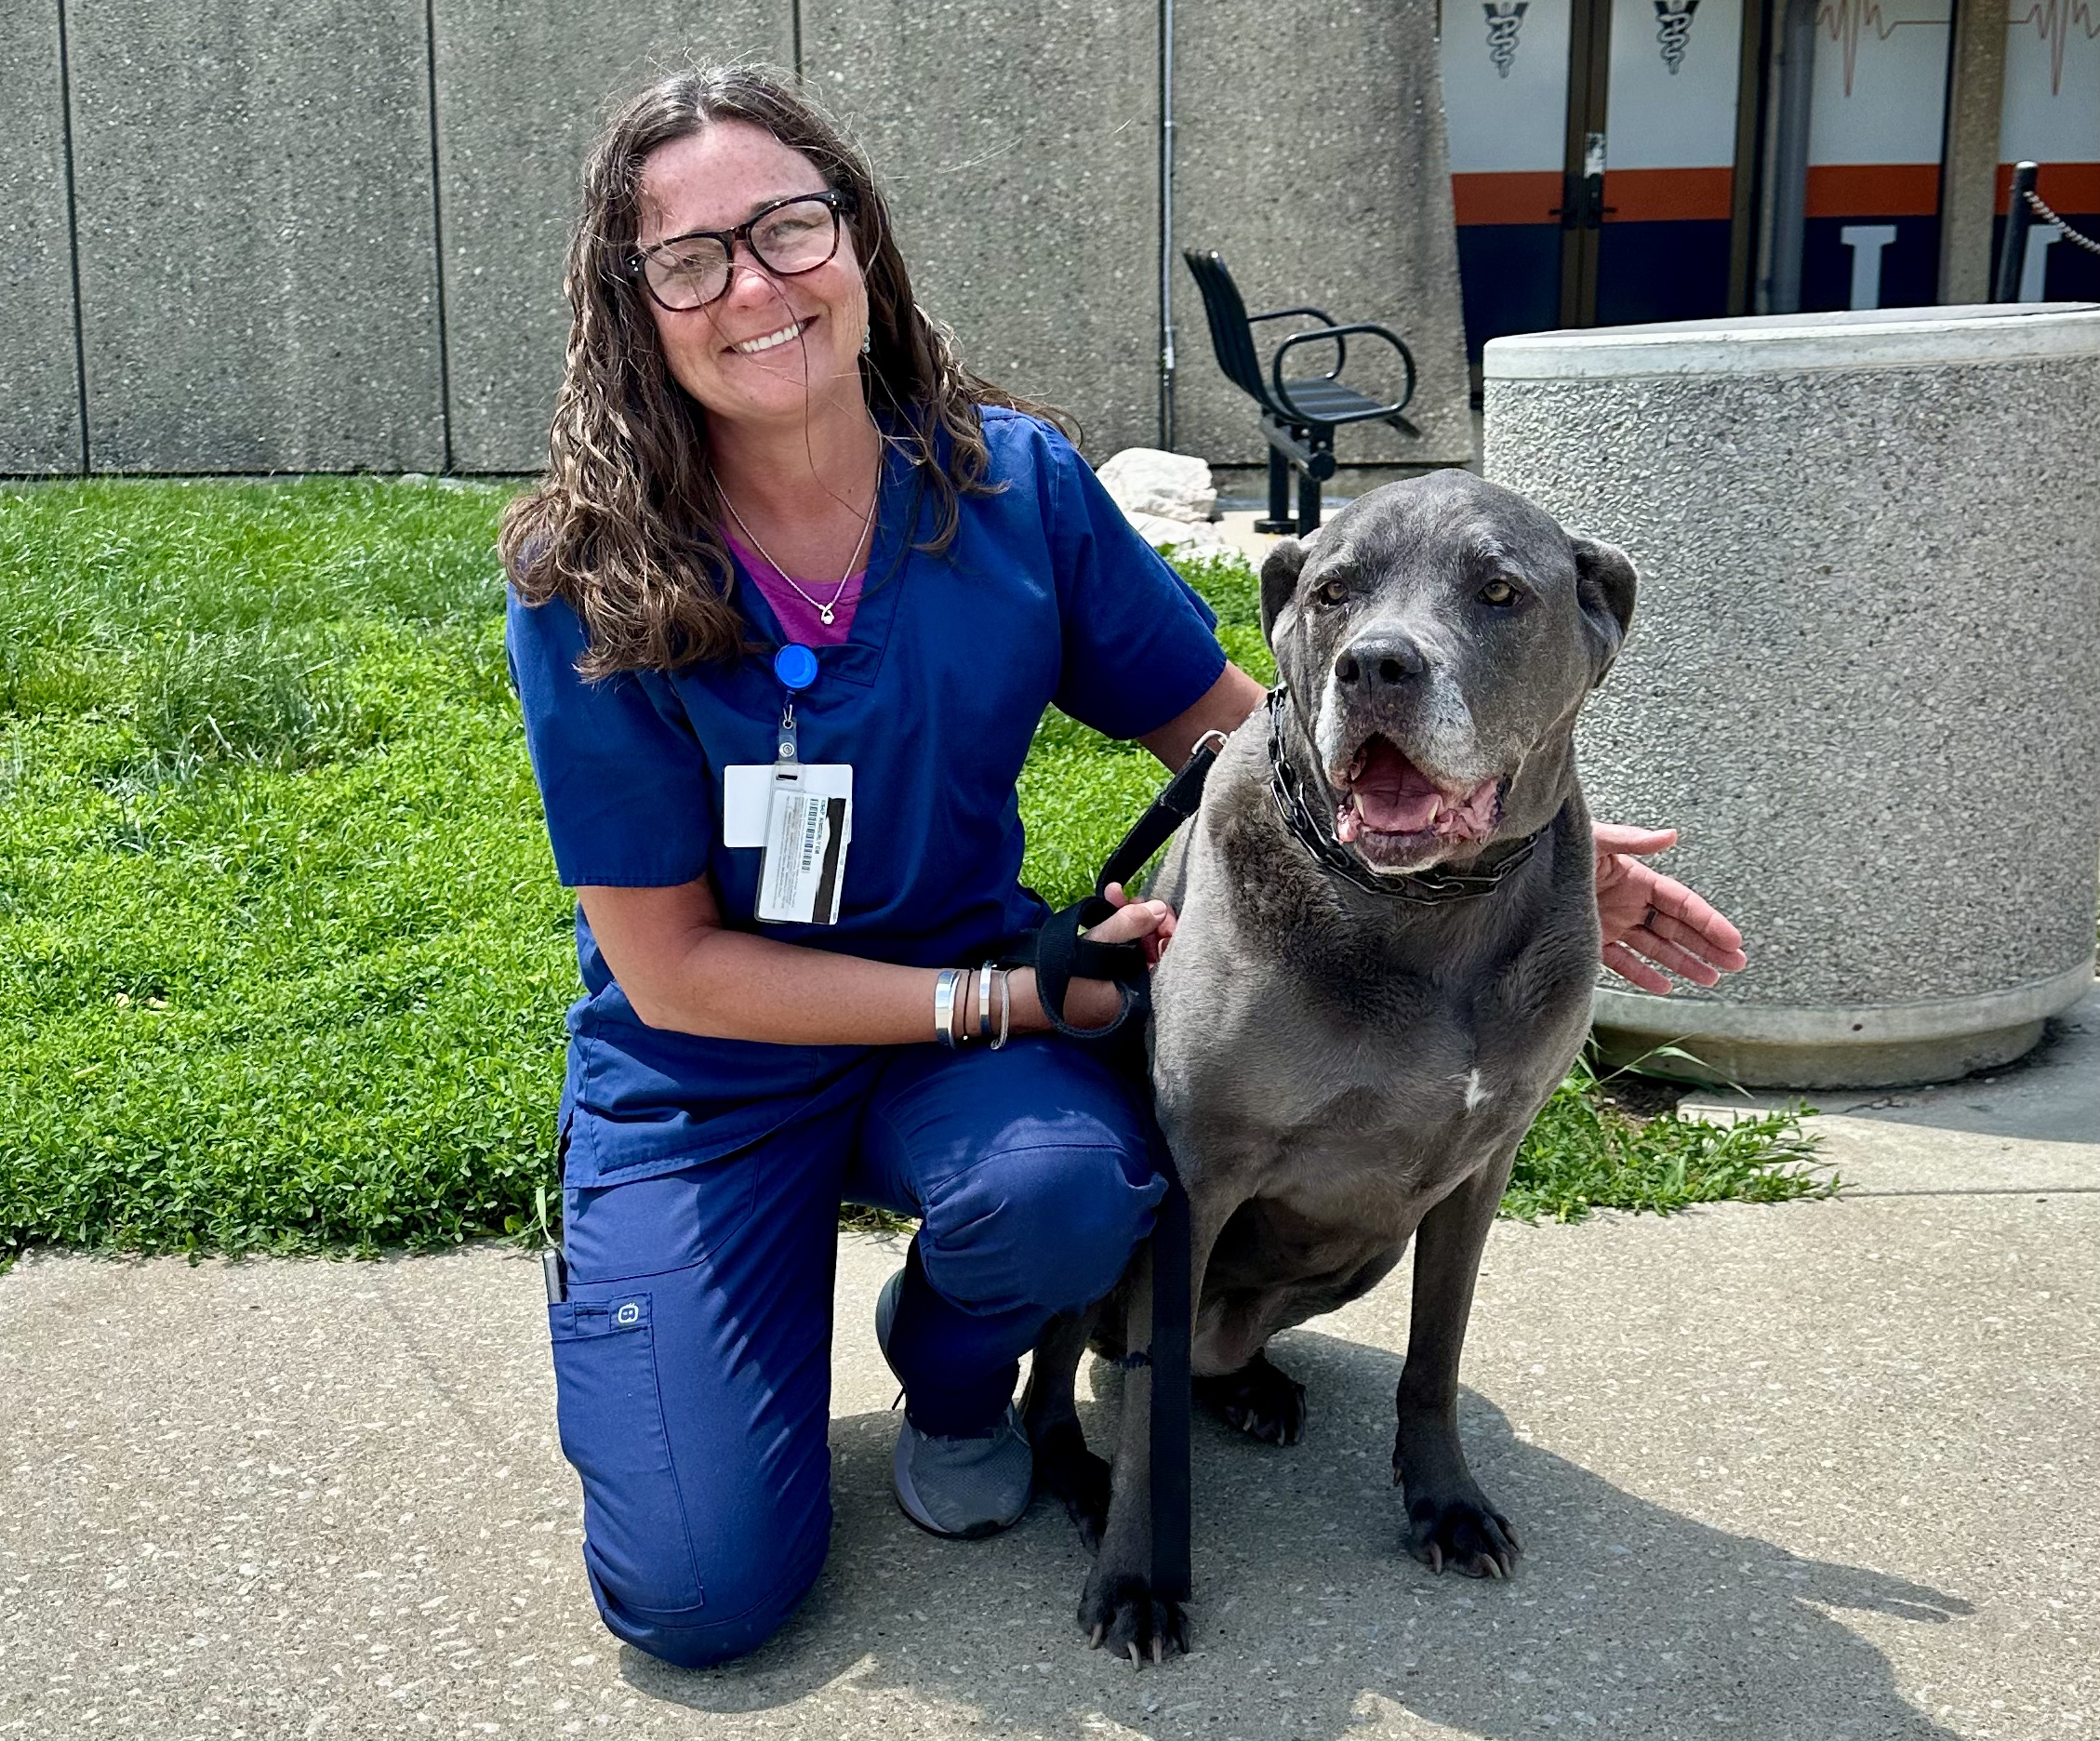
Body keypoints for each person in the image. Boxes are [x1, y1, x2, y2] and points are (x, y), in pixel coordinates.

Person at [501, 63, 1748, 1671]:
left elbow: (1249, 732)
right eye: (686, 258)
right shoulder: (581, 572)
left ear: (856, 243)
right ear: (634, 306)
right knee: (694, 1601)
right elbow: (671, 969)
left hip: (959, 1022)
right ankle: (654, 1297)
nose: (751, 282)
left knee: (1067, 1195)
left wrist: (1499, 842)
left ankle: (954, 1383)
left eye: (786, 224)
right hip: (715, 1066)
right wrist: (1003, 999)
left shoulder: (1006, 488)